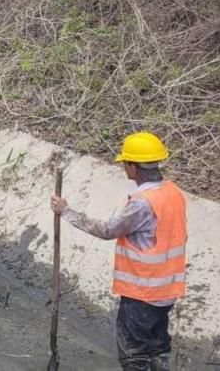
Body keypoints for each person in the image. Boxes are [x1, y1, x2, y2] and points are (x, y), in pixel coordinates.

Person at [50, 132, 187, 371]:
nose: (124, 168)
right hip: (167, 291)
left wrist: (66, 211)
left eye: (125, 163)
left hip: (142, 293)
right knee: (158, 349)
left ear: (133, 167)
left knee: (134, 355)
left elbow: (107, 230)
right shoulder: (173, 193)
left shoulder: (142, 203)